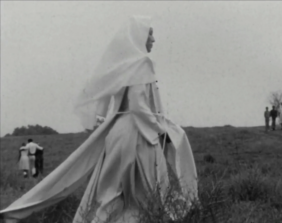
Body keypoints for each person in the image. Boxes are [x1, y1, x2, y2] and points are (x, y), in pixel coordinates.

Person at [0, 16, 198, 223]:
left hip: (117, 134)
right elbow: (139, 106)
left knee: (109, 195)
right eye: (150, 33)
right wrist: (159, 129)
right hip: (139, 136)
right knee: (145, 197)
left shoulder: (122, 65)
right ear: (138, 37)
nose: (153, 39)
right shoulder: (142, 63)